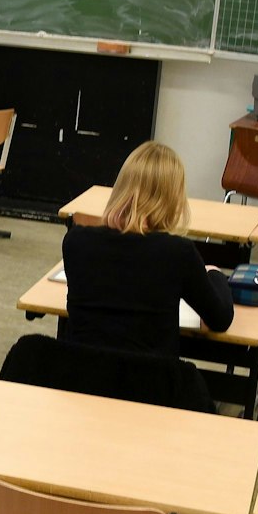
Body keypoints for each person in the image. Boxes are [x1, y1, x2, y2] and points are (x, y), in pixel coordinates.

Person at [63, 141, 234, 358]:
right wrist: (215, 274)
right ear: (174, 199)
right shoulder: (178, 253)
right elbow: (220, 319)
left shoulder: (76, 241)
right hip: (150, 385)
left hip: (81, 379)